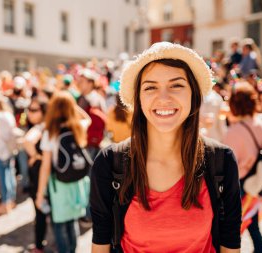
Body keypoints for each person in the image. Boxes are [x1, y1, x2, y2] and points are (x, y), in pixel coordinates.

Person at [90, 42, 241, 253]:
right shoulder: (109, 163)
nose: (163, 98)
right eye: (150, 87)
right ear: (138, 99)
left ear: (194, 95)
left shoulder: (221, 161)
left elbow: (231, 243)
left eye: (176, 85)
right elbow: (101, 243)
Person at [35, 91, 91, 253]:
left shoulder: (50, 132)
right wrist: (74, 107)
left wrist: (40, 194)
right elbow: (88, 119)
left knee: (59, 222)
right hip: (76, 181)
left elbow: (45, 167)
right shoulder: (78, 127)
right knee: (72, 219)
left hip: (58, 184)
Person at [222, 82, 262, 253]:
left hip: (241, 185)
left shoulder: (233, 132)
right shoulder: (259, 123)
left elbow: (227, 166)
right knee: (253, 225)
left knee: (237, 229)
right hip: (259, 181)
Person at [23, 96, 49, 253]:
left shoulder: (40, 127)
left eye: (34, 110)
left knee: (40, 212)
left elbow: (27, 140)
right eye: (29, 110)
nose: (30, 113)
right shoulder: (51, 124)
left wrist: (35, 156)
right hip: (46, 175)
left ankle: (38, 246)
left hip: (39, 177)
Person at [0, 94, 18, 214]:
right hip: (8, 150)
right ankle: (11, 200)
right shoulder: (8, 115)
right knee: (10, 175)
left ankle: (5, 203)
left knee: (4, 178)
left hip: (1, 151)